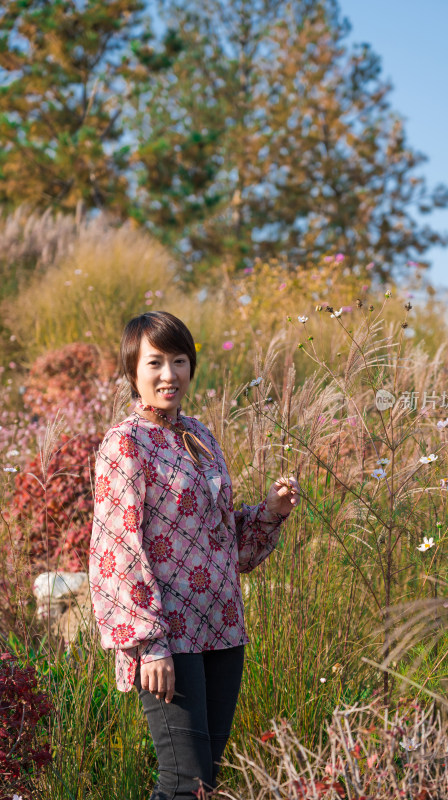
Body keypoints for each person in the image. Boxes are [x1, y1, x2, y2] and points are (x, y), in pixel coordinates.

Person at [89, 311, 300, 800]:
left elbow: (227, 545)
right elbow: (116, 547)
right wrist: (149, 643)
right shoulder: (125, 443)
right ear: (133, 371)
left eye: (179, 361)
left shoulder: (201, 436)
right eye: (155, 362)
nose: (169, 374)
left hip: (223, 629)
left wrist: (269, 512)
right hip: (169, 637)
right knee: (187, 783)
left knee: (206, 782)